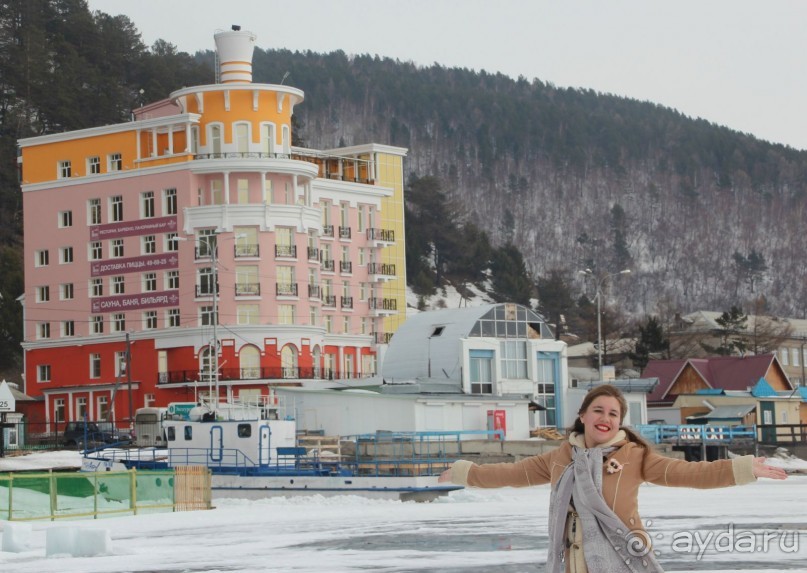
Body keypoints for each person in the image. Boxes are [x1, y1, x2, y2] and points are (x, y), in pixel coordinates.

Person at [438, 384, 787, 572]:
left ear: (620, 422)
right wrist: (464, 472)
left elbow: (690, 472)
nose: (605, 418)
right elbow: (509, 474)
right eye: (599, 411)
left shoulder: (635, 456)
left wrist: (742, 468)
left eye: (613, 414)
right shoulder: (559, 458)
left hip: (621, 560)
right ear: (583, 415)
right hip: (573, 564)